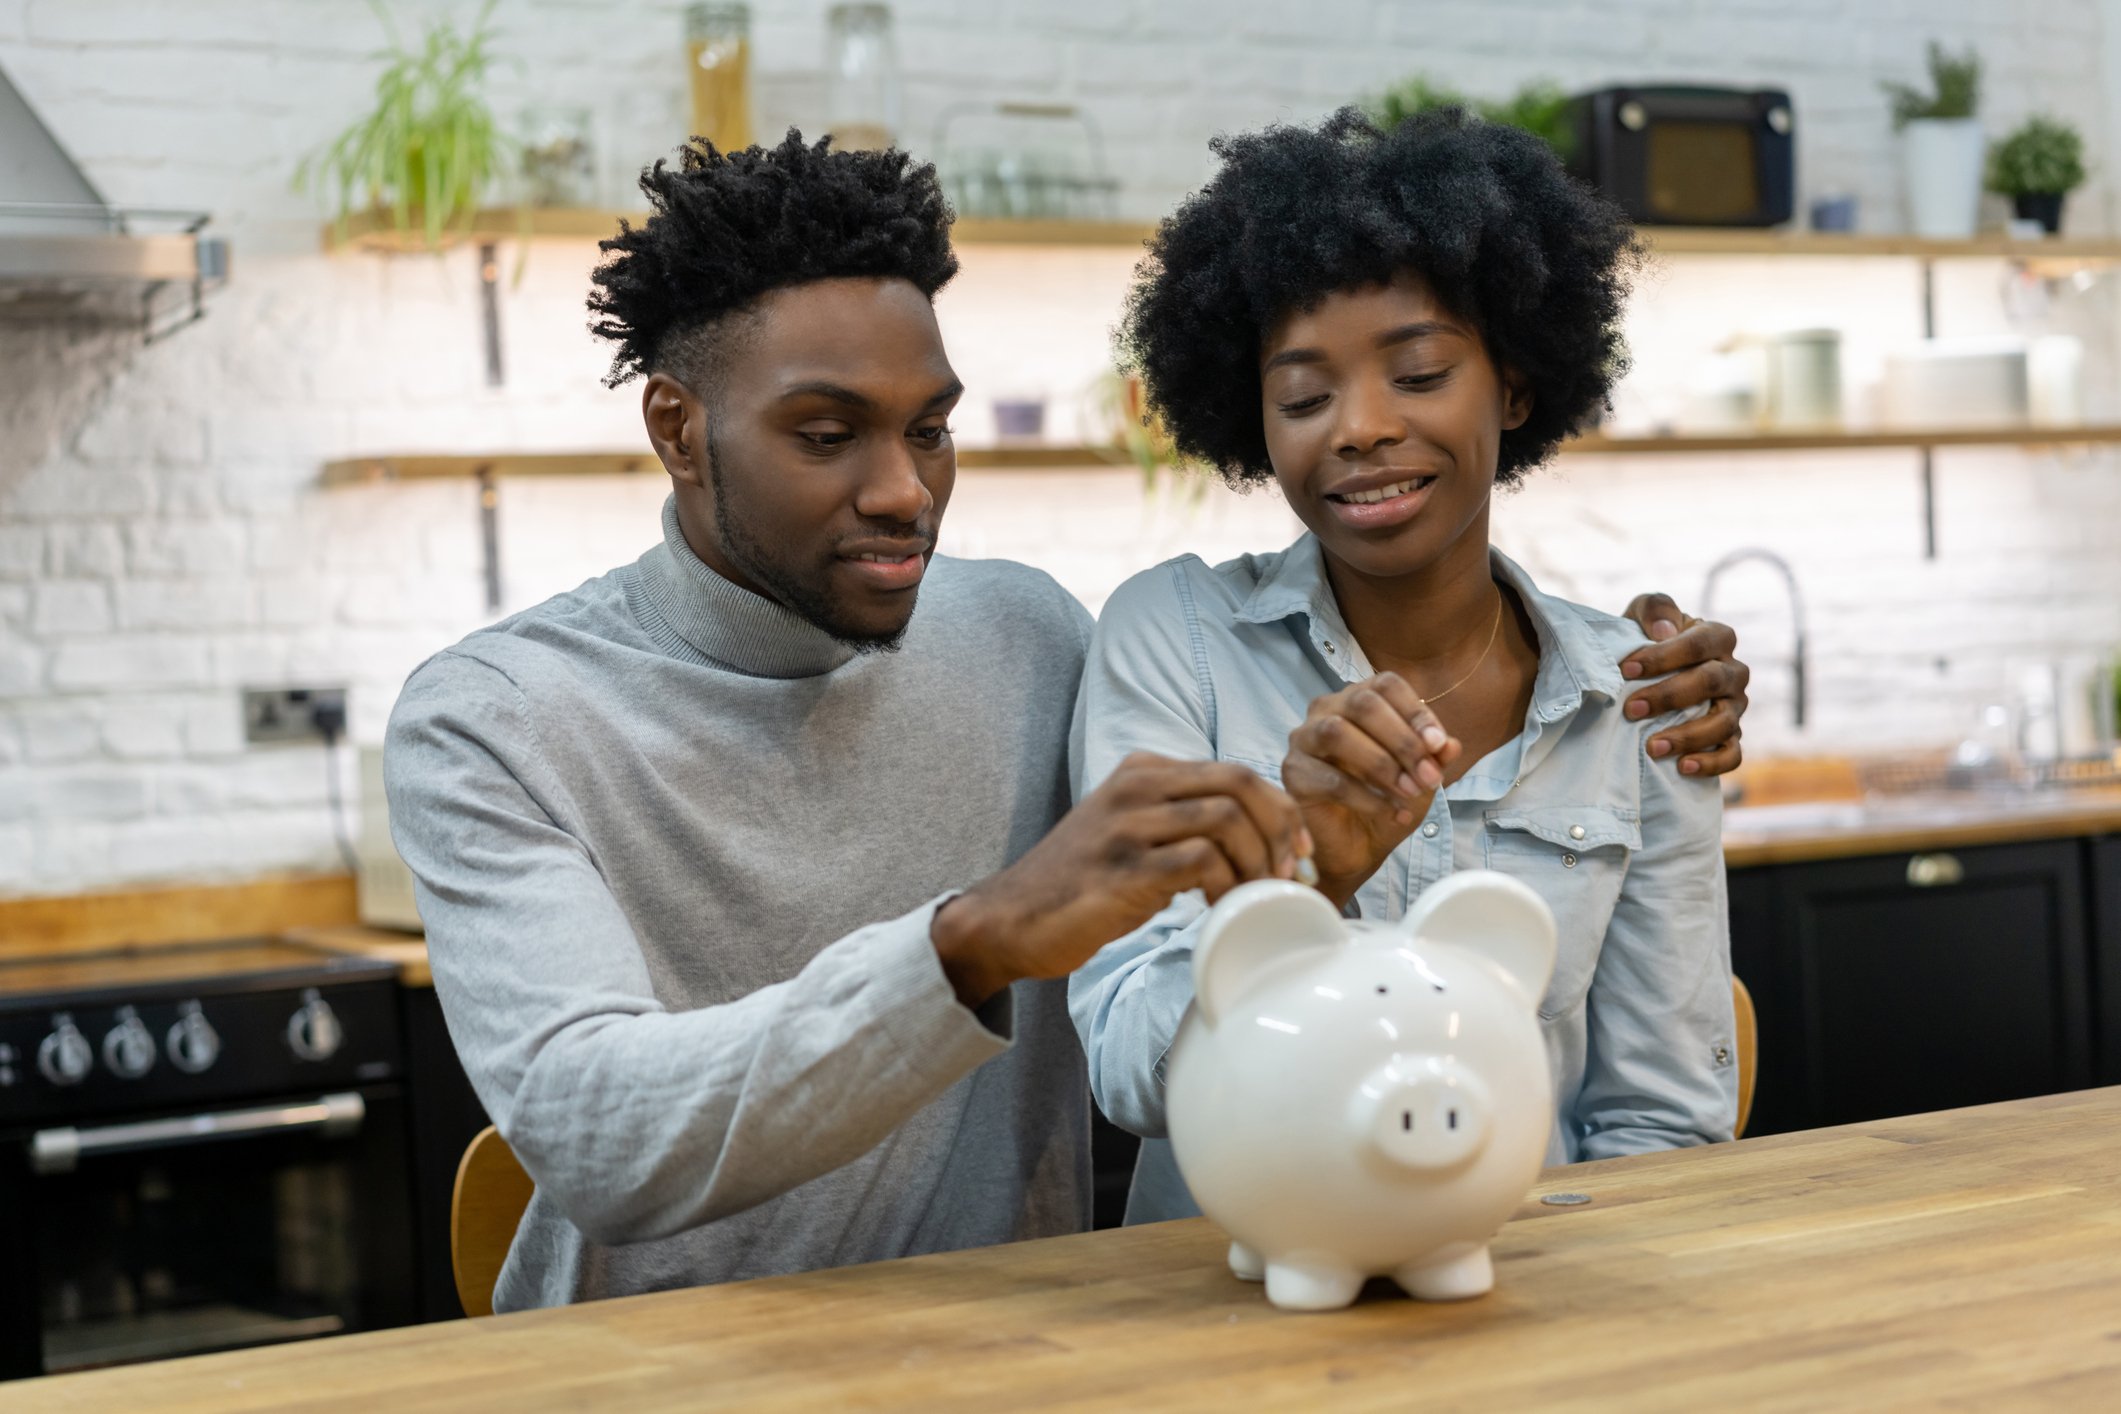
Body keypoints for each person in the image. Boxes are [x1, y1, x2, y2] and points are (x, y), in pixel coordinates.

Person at [384, 134, 1310, 1311]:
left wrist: (1613, 660)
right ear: (677, 430)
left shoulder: (1030, 639)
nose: (904, 491)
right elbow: (593, 1128)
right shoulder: (497, 719)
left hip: (1011, 1368)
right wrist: (970, 942)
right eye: (828, 436)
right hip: (653, 1382)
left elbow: (1170, 1000)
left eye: (928, 429)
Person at [1071, 108, 1746, 1224]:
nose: (1360, 427)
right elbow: (1130, 1066)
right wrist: (1303, 875)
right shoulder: (1175, 641)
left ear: (1516, 386)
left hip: (1525, 1291)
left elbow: (1666, 1118)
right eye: (1303, 396)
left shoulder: (1644, 694)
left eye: (1420, 373)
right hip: (1231, 1309)